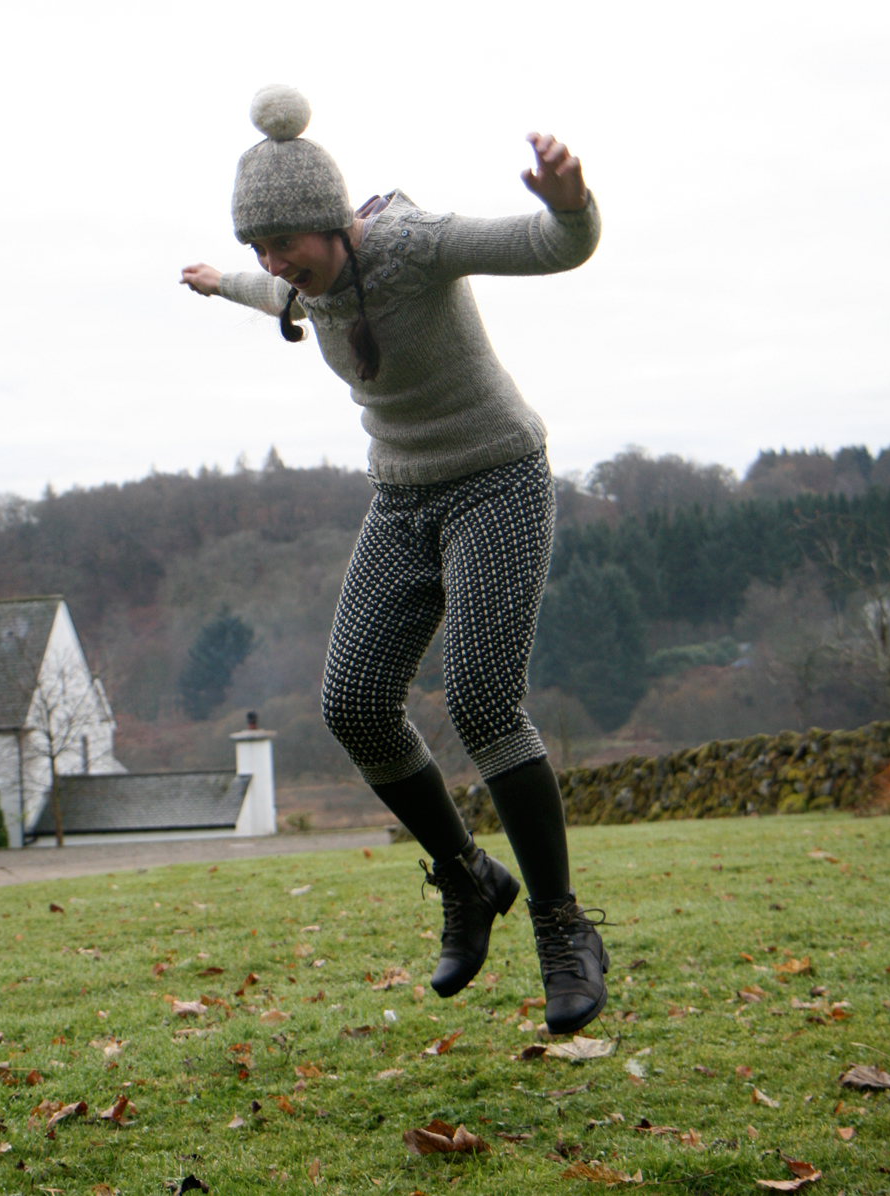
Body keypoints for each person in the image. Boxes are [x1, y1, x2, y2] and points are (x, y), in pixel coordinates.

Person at [181, 85, 609, 1034]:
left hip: (496, 478)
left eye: (283, 243)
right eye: (258, 246)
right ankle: (467, 877)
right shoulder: (299, 279)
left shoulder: (415, 245)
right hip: (401, 496)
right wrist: (222, 280)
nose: (274, 263)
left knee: (483, 702)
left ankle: (561, 926)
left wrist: (570, 201)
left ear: (333, 223)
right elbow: (272, 293)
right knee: (352, 703)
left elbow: (554, 247)